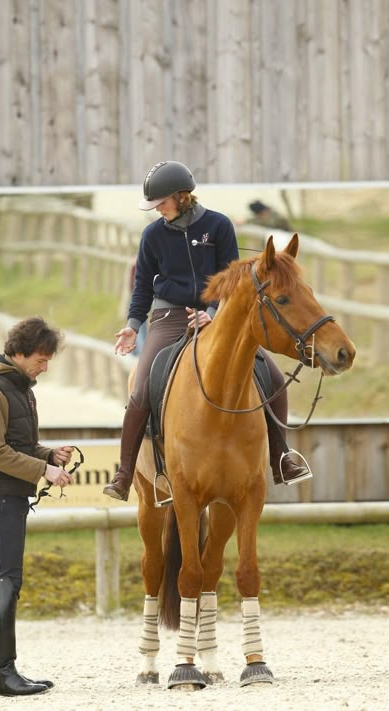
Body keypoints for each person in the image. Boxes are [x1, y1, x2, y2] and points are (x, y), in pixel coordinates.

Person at [103, 160, 311, 503]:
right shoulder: (152, 235)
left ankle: (281, 458)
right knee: (141, 388)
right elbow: (142, 287)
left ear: (182, 196)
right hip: (169, 317)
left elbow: (232, 279)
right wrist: (132, 326)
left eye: (162, 203)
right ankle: (126, 472)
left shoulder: (218, 226)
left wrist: (212, 313)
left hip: (219, 316)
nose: (158, 211)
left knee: (273, 378)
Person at [0, 317, 75, 697]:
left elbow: (19, 445)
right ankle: (3, 675)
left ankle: (9, 671)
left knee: (10, 580)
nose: (44, 367)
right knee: (5, 581)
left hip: (8, 493)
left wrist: (49, 454)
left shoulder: (19, 388)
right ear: (19, 351)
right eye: (41, 360)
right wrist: (43, 469)